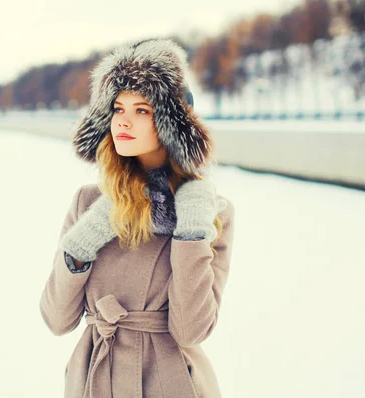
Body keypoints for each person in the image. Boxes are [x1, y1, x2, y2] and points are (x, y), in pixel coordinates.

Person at [39, 38, 235, 398]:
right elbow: (57, 319)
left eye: (142, 110)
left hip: (171, 381)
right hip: (95, 377)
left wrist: (191, 231)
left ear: (169, 123)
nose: (124, 121)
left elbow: (190, 329)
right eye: (117, 108)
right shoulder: (88, 202)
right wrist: (83, 243)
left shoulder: (210, 210)